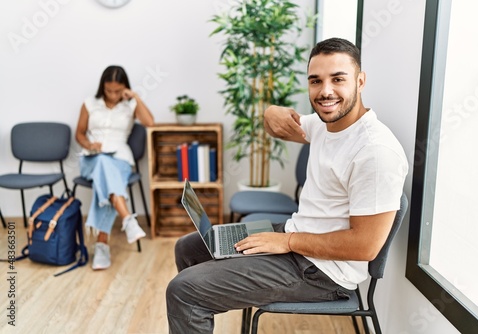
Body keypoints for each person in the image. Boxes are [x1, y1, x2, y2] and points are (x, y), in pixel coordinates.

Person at [166, 37, 408, 333]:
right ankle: (206, 304)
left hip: (322, 272)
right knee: (190, 247)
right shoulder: (324, 124)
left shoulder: (375, 151)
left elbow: (366, 246)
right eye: (316, 81)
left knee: (184, 290)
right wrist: (270, 111)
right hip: (298, 237)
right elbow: (277, 127)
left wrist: (287, 242)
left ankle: (200, 298)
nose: (325, 91)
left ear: (360, 81)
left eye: (338, 79)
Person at [75, 65, 154, 270]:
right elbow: (80, 134)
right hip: (92, 159)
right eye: (109, 90)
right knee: (102, 163)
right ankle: (127, 219)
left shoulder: (130, 104)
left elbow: (150, 122)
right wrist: (90, 145)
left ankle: (103, 245)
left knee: (107, 179)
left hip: (120, 160)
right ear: (102, 87)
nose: (112, 95)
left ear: (124, 88)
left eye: (117, 91)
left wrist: (135, 97)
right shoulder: (89, 104)